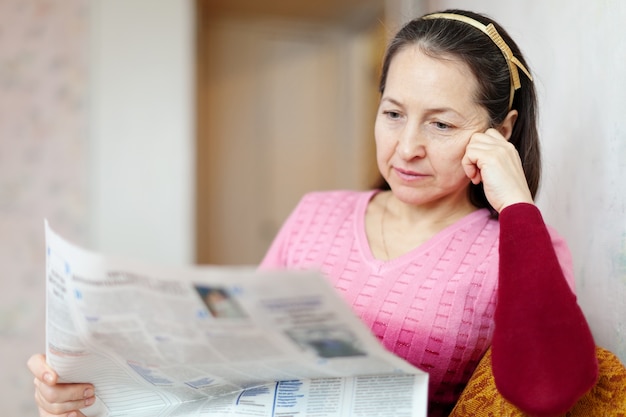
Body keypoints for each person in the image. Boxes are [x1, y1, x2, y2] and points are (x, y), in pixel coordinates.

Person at [27, 9, 598, 417]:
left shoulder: (517, 249)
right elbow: (234, 367)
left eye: (441, 124)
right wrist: (95, 395)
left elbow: (547, 392)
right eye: (394, 113)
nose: (406, 148)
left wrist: (517, 204)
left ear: (499, 133)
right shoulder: (316, 215)